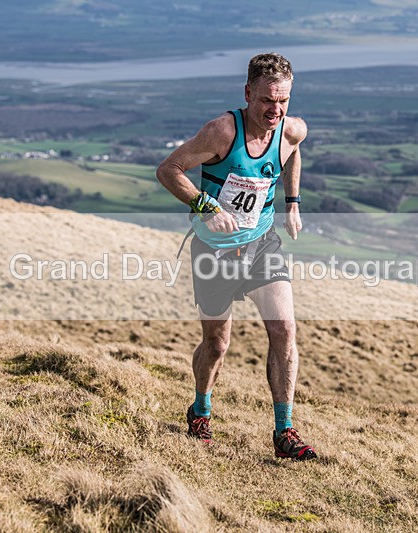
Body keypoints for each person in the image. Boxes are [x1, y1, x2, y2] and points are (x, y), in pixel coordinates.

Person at [156, 52, 316, 460]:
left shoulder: (291, 129)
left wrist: (293, 202)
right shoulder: (221, 132)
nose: (275, 111)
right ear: (248, 94)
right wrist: (207, 206)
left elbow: (293, 151)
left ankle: (284, 430)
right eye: (266, 101)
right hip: (214, 252)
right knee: (217, 344)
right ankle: (200, 410)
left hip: (262, 245)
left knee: (284, 331)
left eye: (283, 101)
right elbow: (169, 170)